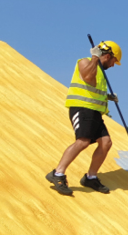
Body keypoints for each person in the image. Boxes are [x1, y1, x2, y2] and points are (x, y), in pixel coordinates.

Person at [46, 41, 122, 195]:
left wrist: (107, 97)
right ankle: (58, 173)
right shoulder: (85, 61)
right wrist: (95, 57)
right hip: (82, 108)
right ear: (107, 56)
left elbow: (91, 88)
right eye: (114, 61)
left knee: (106, 143)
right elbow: (87, 77)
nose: (114, 65)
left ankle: (90, 177)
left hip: (94, 112)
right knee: (83, 141)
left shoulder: (100, 72)